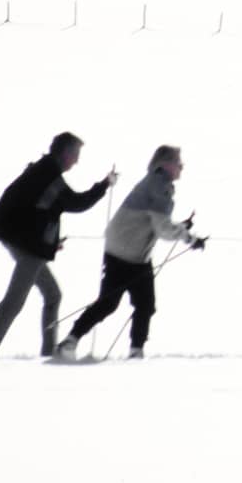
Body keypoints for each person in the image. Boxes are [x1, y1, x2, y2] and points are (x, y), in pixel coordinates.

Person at [0, 132, 117, 359]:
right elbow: (76, 203)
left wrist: (49, 242)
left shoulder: (42, 171)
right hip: (27, 246)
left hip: (25, 242)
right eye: (76, 155)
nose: (77, 161)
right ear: (66, 153)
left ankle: (48, 352)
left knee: (52, 295)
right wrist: (104, 185)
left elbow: (37, 211)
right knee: (14, 301)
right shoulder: (49, 176)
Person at [57, 145, 207, 360]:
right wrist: (189, 238)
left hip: (126, 249)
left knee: (124, 303)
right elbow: (163, 228)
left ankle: (72, 341)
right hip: (128, 252)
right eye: (178, 162)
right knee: (132, 304)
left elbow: (154, 222)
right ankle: (134, 352)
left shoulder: (155, 182)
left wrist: (181, 228)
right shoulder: (159, 185)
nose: (181, 167)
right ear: (165, 164)